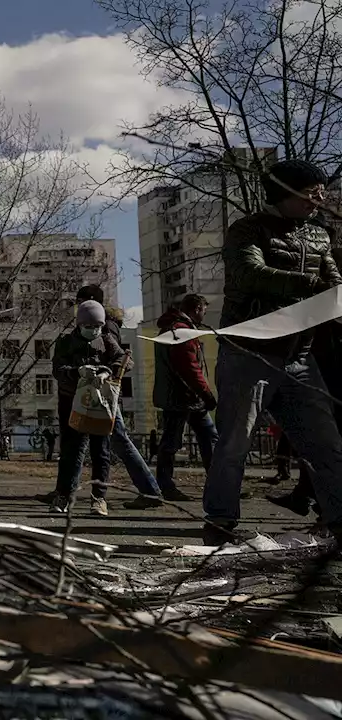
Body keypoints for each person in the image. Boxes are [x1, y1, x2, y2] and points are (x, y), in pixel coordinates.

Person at [202, 159, 342, 544]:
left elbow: (334, 282)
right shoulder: (246, 230)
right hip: (249, 353)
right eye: (312, 191)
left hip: (300, 356)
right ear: (286, 191)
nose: (320, 199)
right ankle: (219, 523)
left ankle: (339, 521)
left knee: (325, 443)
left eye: (323, 191)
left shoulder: (319, 236)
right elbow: (250, 274)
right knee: (234, 443)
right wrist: (313, 286)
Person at [75, 284, 167, 507]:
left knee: (117, 442)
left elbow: (118, 358)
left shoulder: (103, 327)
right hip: (104, 392)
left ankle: (150, 491)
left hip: (103, 392)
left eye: (80, 301)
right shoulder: (108, 324)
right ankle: (149, 490)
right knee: (112, 442)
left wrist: (105, 371)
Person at [49, 300, 125, 516]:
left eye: (98, 327)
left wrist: (107, 372)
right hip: (72, 402)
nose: (94, 331)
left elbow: (124, 359)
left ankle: (99, 498)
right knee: (71, 452)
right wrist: (77, 372)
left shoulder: (107, 340)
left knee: (101, 452)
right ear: (80, 324)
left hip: (100, 403)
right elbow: (58, 369)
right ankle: (63, 495)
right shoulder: (65, 342)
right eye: (89, 327)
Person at [151, 294, 215, 502]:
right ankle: (166, 486)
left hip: (183, 397)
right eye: (203, 310)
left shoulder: (175, 328)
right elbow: (190, 368)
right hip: (183, 397)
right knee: (174, 442)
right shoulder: (181, 332)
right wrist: (206, 393)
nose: (204, 315)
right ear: (196, 308)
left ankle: (220, 484)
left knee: (205, 438)